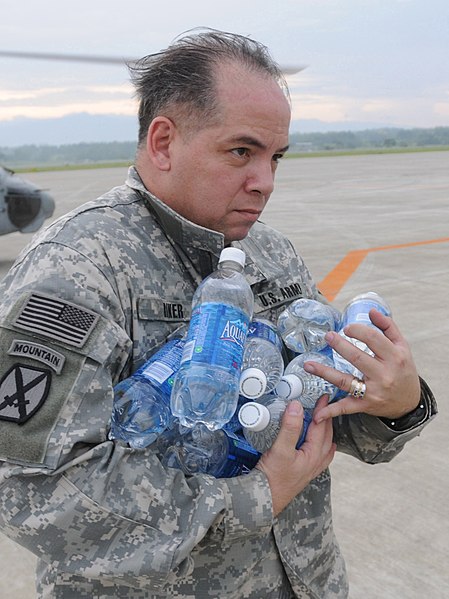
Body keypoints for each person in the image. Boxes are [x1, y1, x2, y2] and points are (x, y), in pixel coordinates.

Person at [0, 28, 437, 599]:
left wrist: (399, 404)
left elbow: (318, 415)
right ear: (163, 143)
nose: (266, 182)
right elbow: (31, 487)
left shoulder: (270, 253)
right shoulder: (78, 268)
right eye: (241, 152)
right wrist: (255, 497)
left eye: (275, 157)